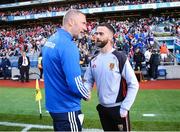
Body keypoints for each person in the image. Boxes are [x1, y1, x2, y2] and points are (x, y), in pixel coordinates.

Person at [84, 23, 139, 131]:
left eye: (101, 34)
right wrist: (86, 90)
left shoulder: (120, 57)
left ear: (110, 37)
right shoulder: (94, 60)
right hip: (103, 109)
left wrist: (125, 107)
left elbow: (133, 84)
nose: (97, 36)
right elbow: (88, 80)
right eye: (96, 33)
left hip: (119, 109)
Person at [42, 9, 90, 131]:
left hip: (54, 106)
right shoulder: (68, 45)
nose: (86, 28)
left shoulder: (51, 40)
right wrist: (85, 93)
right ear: (71, 22)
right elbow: (74, 83)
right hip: (67, 107)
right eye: (83, 23)